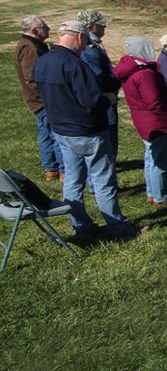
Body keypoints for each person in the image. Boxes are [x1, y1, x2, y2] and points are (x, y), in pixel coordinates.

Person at [33, 21, 136, 240]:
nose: (85, 47)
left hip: (61, 131)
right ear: (79, 37)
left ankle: (80, 225)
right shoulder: (74, 65)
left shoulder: (42, 62)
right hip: (88, 132)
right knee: (103, 181)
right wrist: (107, 99)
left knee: (73, 179)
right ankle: (118, 227)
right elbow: (91, 100)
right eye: (86, 41)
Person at [113, 37, 167, 206]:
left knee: (151, 158)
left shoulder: (131, 71)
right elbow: (154, 101)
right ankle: (161, 196)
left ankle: (151, 192)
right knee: (160, 161)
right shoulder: (145, 75)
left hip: (142, 121)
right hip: (155, 122)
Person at [14, 15, 63, 181]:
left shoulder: (31, 45)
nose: (48, 29)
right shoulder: (31, 48)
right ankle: (61, 169)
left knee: (46, 133)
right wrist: (51, 93)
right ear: (35, 30)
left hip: (39, 99)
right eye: (45, 27)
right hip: (42, 100)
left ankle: (51, 169)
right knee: (54, 134)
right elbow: (32, 77)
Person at [77, 9, 121, 158]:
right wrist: (116, 80)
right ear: (90, 27)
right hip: (103, 99)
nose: (104, 28)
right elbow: (100, 77)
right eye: (101, 25)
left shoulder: (93, 45)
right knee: (108, 135)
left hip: (105, 98)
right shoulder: (89, 50)